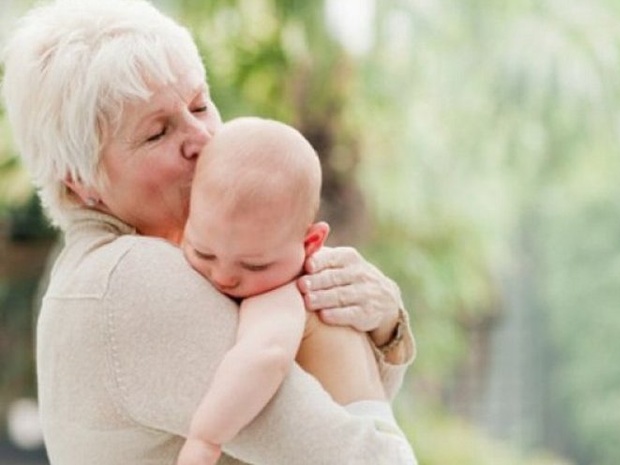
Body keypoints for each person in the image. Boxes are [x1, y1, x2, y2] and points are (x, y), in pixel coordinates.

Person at [0, 1, 415, 464]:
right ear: (80, 182)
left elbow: (336, 412)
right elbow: (357, 453)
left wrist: (379, 322)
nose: (202, 137)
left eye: (200, 104)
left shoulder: (145, 267)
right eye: (158, 133)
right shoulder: (131, 281)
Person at [176, 117, 417, 465]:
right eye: (203, 252)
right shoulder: (284, 270)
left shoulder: (289, 291)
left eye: (254, 265)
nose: (224, 277)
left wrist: (204, 438)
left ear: (311, 242)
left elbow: (263, 356)